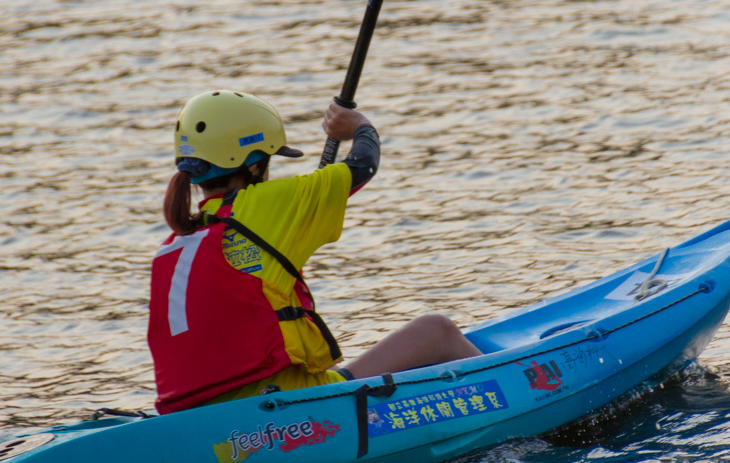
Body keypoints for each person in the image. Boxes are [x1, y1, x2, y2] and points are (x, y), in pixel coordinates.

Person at [147, 90, 481, 414]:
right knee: (437, 330)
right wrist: (359, 126)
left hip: (198, 418)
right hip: (287, 407)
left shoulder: (174, 245)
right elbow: (363, 164)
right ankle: (519, 388)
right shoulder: (266, 204)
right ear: (252, 165)